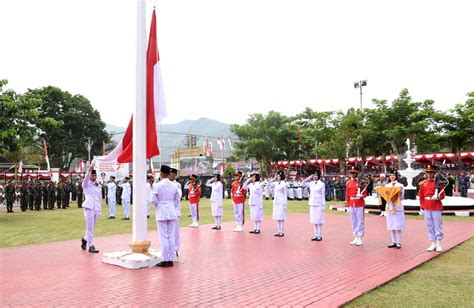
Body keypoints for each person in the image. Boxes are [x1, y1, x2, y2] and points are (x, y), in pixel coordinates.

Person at [150, 165, 180, 267]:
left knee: (163, 236)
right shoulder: (174, 185)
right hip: (171, 211)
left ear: (162, 173)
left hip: (162, 211)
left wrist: (159, 206)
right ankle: (170, 259)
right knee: (171, 236)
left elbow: (152, 198)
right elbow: (177, 199)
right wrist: (171, 206)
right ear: (169, 173)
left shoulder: (157, 185)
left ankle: (164, 259)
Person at [418, 165, 445, 252]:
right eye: (428, 172)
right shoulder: (423, 183)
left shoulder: (438, 183)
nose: (429, 174)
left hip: (436, 205)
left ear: (434, 173)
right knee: (429, 225)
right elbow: (421, 196)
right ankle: (433, 243)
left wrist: (438, 197)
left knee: (437, 225)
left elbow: (442, 195)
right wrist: (421, 207)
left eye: (431, 172)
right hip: (426, 205)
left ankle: (438, 243)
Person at [81, 164, 101, 253]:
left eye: (95, 175)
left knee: (91, 227)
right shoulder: (86, 184)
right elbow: (85, 179)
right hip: (89, 207)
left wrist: (99, 210)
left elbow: (99, 198)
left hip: (96, 208)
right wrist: (89, 170)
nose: (94, 177)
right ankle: (91, 246)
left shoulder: (98, 185)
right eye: (92, 175)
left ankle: (85, 239)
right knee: (90, 228)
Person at [346, 167, 367, 246]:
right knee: (353, 220)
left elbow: (365, 192)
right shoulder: (348, 183)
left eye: (354, 173)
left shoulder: (360, 182)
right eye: (351, 173)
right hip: (352, 202)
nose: (352, 174)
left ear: (356, 174)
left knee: (360, 220)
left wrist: (361, 195)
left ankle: (360, 237)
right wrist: (348, 204)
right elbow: (347, 194)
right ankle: (355, 236)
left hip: (359, 202)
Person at [302, 171, 325, 241]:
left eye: (316, 175)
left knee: (319, 220)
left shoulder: (322, 184)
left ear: (319, 176)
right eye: (314, 175)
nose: (315, 177)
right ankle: (315, 235)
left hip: (319, 203)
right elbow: (303, 183)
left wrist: (323, 205)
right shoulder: (311, 183)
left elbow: (323, 195)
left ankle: (319, 235)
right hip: (312, 203)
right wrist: (310, 176)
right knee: (314, 220)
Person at [384, 170, 405, 249]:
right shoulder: (387, 186)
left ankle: (398, 242)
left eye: (394, 175)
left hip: (397, 205)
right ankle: (393, 241)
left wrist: (398, 195)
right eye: (391, 175)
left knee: (398, 224)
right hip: (389, 205)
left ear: (396, 176)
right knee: (391, 224)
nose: (392, 176)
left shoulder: (400, 185)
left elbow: (402, 197)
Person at [170, 168, 182, 257]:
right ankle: (170, 249)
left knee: (175, 232)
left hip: (175, 212)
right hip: (168, 212)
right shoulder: (166, 184)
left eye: (171, 174)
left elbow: (178, 198)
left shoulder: (177, 185)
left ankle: (175, 249)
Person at [272, 171, 288, 237]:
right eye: (277, 176)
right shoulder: (275, 183)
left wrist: (285, 204)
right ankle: (279, 231)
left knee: (281, 218)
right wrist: (273, 178)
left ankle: (282, 232)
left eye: (279, 176)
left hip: (281, 202)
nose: (278, 177)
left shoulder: (284, 184)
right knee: (277, 217)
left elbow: (285, 195)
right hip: (276, 202)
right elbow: (268, 184)